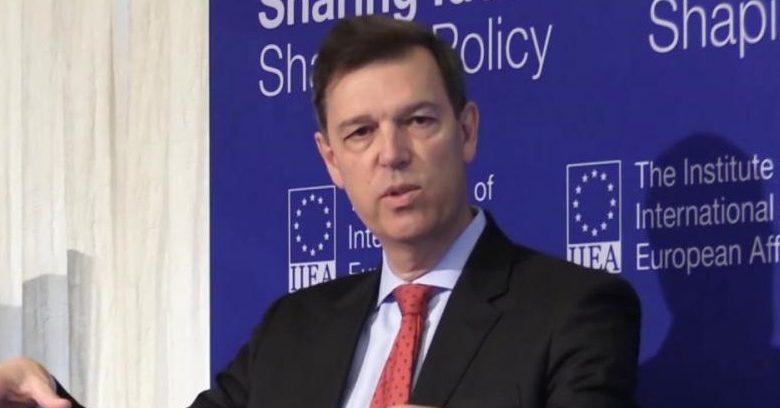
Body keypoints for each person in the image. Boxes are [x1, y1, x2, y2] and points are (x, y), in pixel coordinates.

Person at [0, 16, 640, 408]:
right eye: (360, 132)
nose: (391, 153)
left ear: (466, 131)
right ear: (332, 161)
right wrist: (43, 400)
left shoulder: (573, 311)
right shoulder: (293, 328)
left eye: (418, 121)